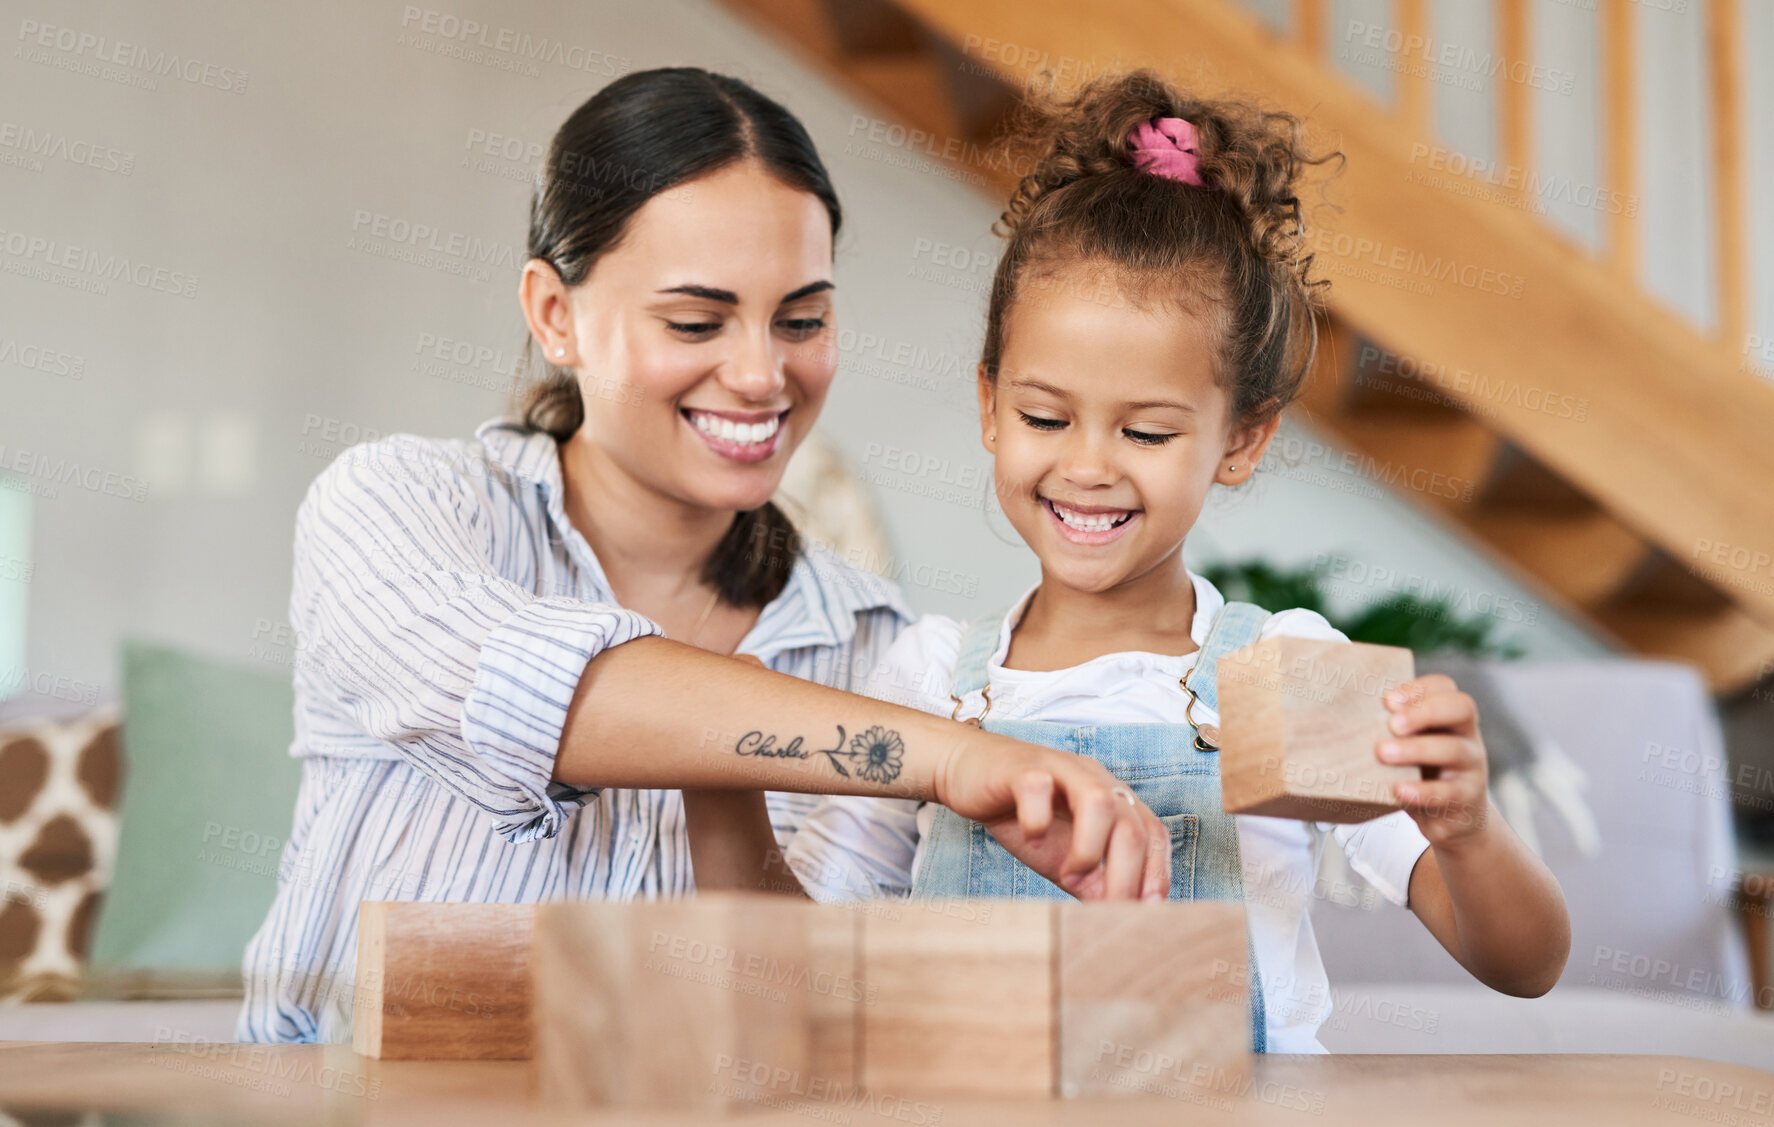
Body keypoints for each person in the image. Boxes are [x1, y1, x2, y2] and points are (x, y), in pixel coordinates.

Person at [237, 67, 1173, 1044]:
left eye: (802, 318)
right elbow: (520, 690)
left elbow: (811, 1025)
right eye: (695, 321)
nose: (763, 373)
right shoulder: (399, 506)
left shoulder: (876, 645)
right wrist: (943, 757)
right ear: (554, 314)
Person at [692, 70, 1571, 1053]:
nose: (1086, 465)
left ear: (1240, 438)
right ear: (989, 404)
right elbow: (797, 965)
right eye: (1043, 416)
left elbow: (1523, 963)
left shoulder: (1283, 666)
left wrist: (1466, 829)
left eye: (1146, 432)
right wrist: (714, 770)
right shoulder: (928, 680)